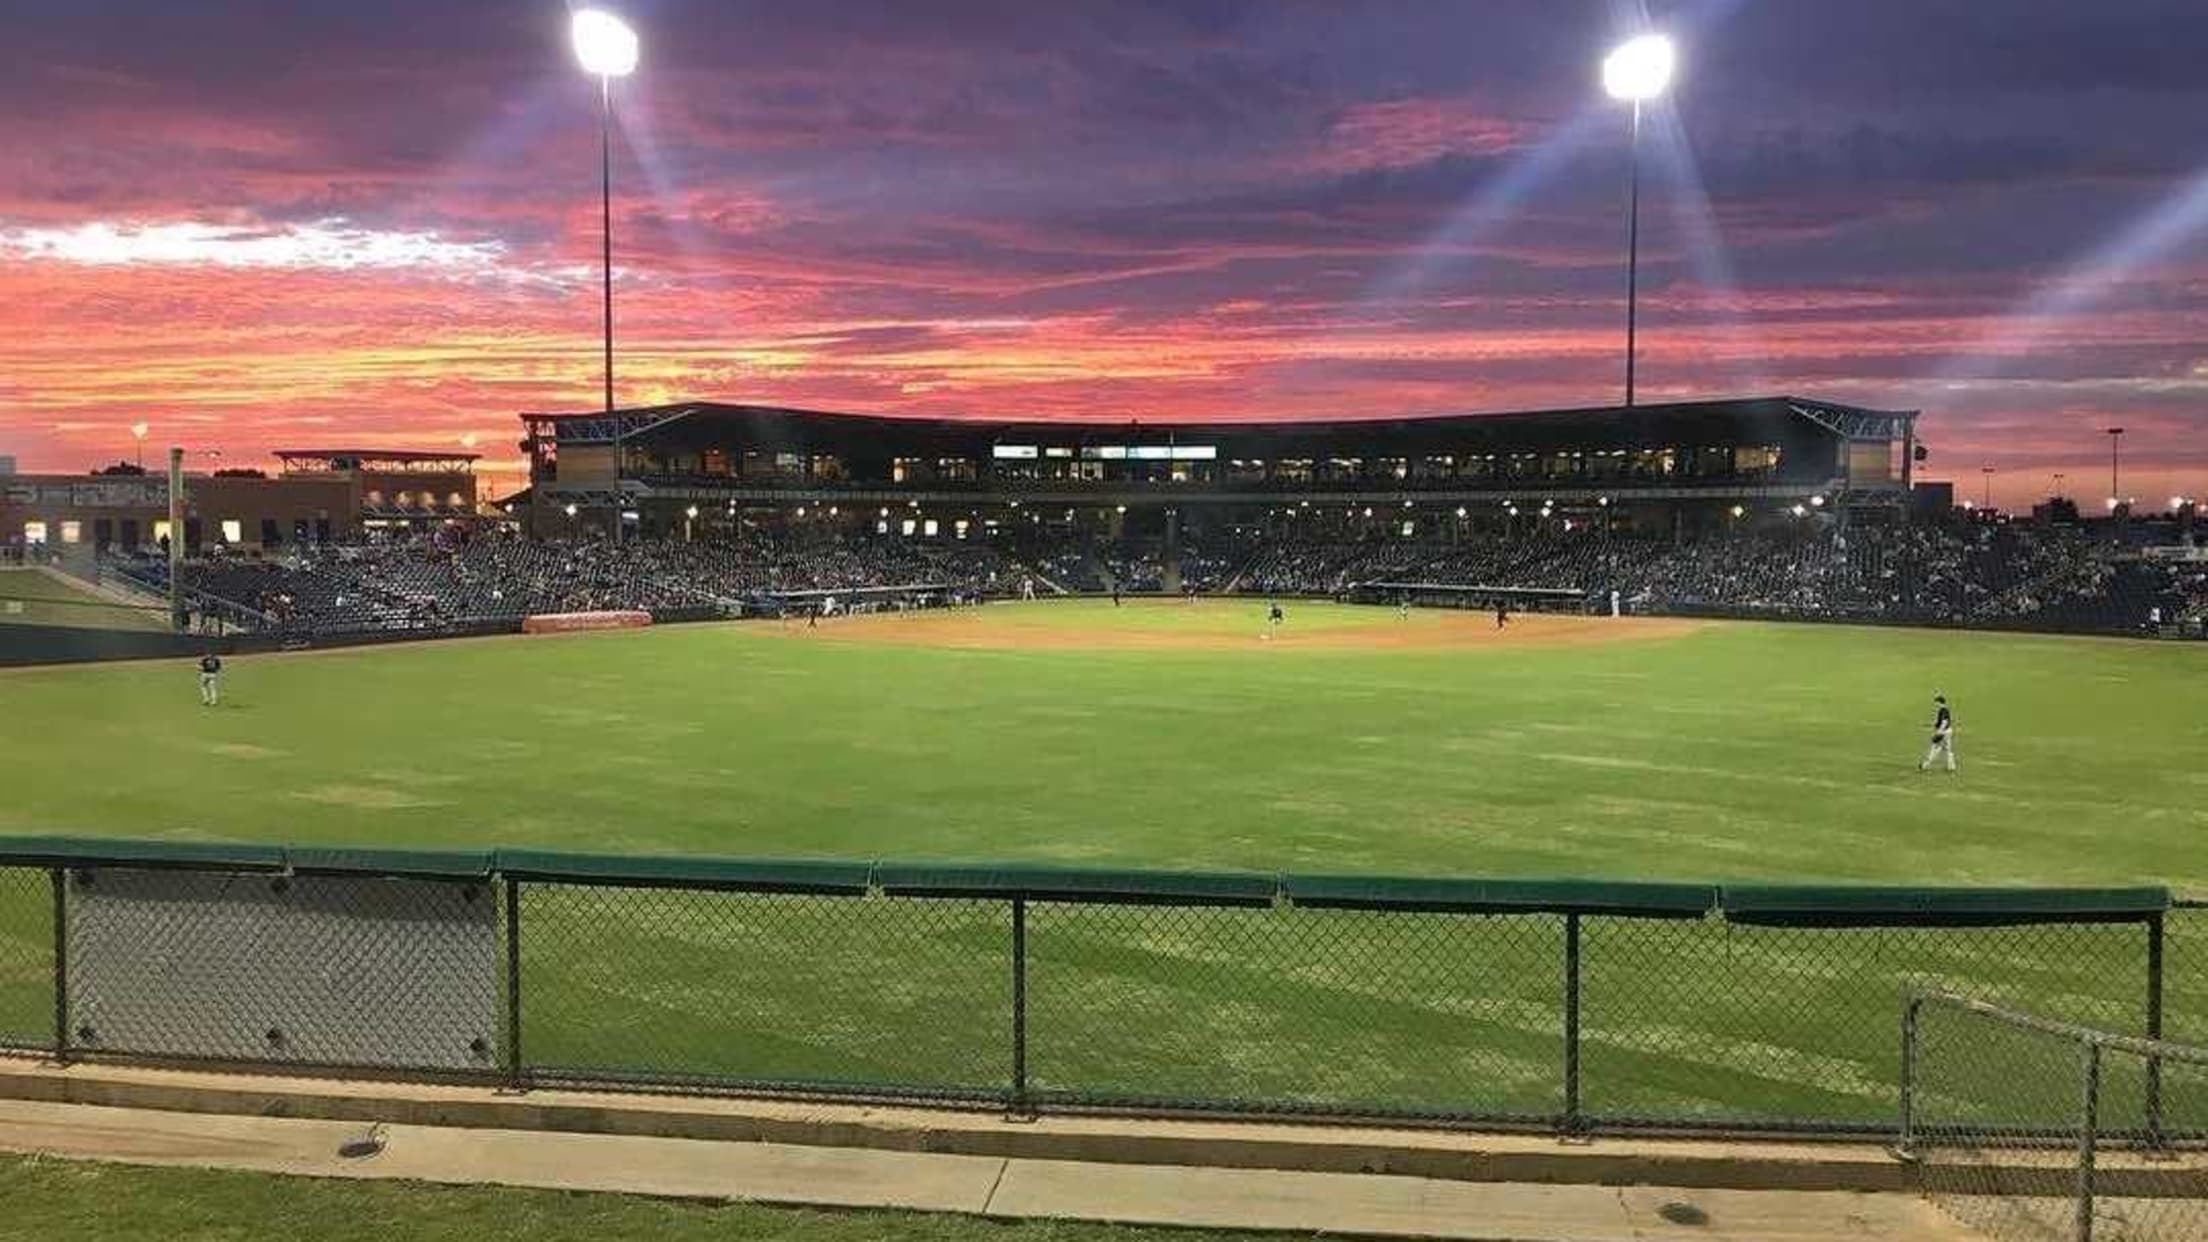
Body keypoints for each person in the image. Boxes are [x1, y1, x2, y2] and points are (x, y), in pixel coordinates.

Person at [1918, 694, 1957, 773]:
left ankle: (1925, 765)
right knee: (1948, 749)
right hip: (1948, 731)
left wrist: (1940, 732)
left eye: (1936, 703)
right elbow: (1941, 722)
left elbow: (1944, 721)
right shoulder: (1945, 710)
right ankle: (1951, 766)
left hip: (1943, 732)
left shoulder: (1943, 710)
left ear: (1939, 702)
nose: (1935, 705)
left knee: (1935, 748)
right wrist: (1932, 725)